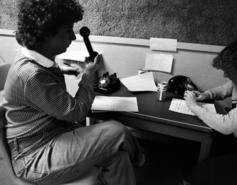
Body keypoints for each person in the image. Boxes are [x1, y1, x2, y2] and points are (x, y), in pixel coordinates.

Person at [2, 0, 144, 185]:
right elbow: (76, 113)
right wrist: (87, 78)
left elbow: (44, 80)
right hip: (34, 156)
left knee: (118, 156)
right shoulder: (31, 75)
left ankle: (135, 158)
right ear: (44, 36)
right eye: (67, 31)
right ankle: (141, 160)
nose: (73, 37)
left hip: (55, 135)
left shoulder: (33, 57)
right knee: (117, 131)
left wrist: (66, 70)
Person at [184, 40, 237, 185]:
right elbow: (222, 91)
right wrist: (204, 95)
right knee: (191, 152)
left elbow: (227, 126)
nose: (224, 75)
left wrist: (194, 106)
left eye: (227, 71)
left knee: (201, 173)